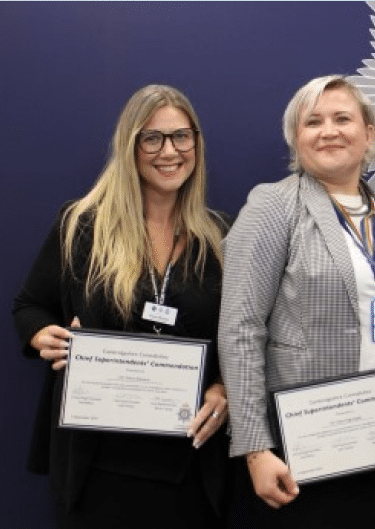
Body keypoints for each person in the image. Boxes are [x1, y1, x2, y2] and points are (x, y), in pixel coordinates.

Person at [219, 74, 375, 529]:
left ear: (369, 134)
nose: (329, 131)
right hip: (307, 445)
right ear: (295, 138)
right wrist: (255, 449)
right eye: (313, 122)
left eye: (343, 118)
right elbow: (240, 328)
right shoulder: (273, 207)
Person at [13, 84, 231, 528]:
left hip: (188, 463)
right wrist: (41, 335)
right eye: (152, 138)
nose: (169, 151)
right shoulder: (80, 225)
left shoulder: (220, 237)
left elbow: (240, 336)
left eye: (181, 136)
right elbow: (30, 305)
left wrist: (225, 387)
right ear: (130, 144)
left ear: (196, 143)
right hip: (97, 463)